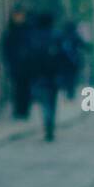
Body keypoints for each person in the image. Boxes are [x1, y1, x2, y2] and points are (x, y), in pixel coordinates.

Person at [29, 11, 65, 142]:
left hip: (39, 75)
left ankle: (47, 124)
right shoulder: (56, 35)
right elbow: (64, 54)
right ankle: (50, 125)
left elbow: (30, 57)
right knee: (52, 102)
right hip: (54, 75)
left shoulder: (34, 36)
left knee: (44, 103)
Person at [3, 7, 32, 118]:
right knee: (16, 88)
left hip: (27, 66)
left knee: (26, 88)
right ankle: (18, 110)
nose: (19, 18)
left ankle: (24, 110)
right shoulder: (11, 31)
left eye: (20, 15)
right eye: (17, 16)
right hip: (15, 65)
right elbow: (7, 48)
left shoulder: (27, 30)